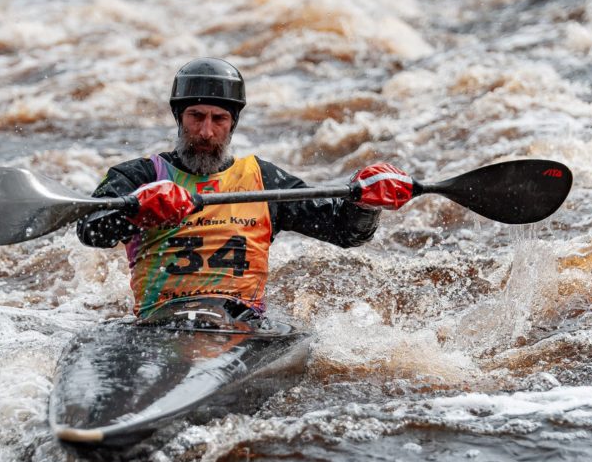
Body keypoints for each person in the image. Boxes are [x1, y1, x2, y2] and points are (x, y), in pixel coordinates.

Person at [76, 57, 412, 322]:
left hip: (241, 324)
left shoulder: (261, 179)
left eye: (218, 119)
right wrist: (135, 211)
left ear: (232, 123)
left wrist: (367, 204)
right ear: (179, 118)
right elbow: (90, 230)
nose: (206, 132)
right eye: (196, 117)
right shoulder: (139, 176)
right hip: (161, 322)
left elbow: (344, 231)